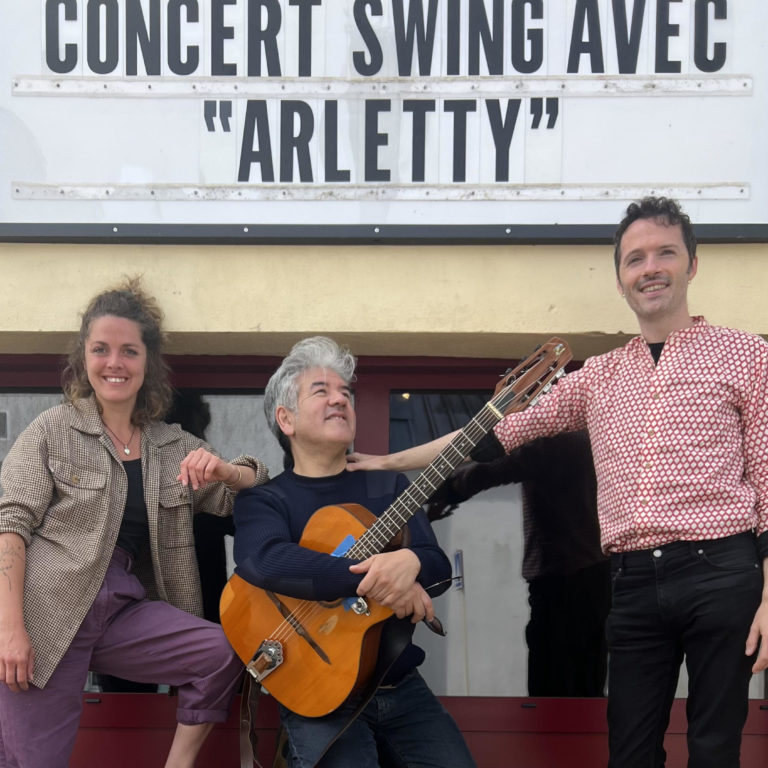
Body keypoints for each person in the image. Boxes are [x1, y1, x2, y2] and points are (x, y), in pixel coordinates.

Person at [348, 197, 768, 768]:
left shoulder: (746, 354)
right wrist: (387, 462)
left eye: (665, 253)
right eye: (635, 259)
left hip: (721, 569)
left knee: (715, 748)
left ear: (691, 265)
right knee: (630, 751)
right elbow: (489, 434)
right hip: (632, 582)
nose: (650, 268)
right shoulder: (598, 376)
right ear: (620, 280)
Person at [0, 278, 269, 768]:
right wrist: (10, 629)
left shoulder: (172, 445)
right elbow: (10, 526)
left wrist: (230, 471)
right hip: (47, 612)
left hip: (122, 608)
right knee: (32, 761)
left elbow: (251, 491)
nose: (115, 363)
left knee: (218, 652)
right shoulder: (52, 430)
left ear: (148, 363)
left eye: (129, 351)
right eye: (101, 349)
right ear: (84, 358)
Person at [232, 336, 476, 768]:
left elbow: (436, 569)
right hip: (316, 688)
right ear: (285, 418)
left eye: (345, 392)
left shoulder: (388, 485)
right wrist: (379, 578)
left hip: (398, 684)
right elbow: (265, 560)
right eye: (321, 391)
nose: (340, 399)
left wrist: (411, 561)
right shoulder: (266, 499)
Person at [427, 430, 609, 697]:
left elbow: (498, 467)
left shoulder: (557, 439)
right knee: (586, 673)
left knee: (554, 679)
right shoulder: (593, 434)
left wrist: (443, 489)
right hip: (593, 568)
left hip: (566, 574)